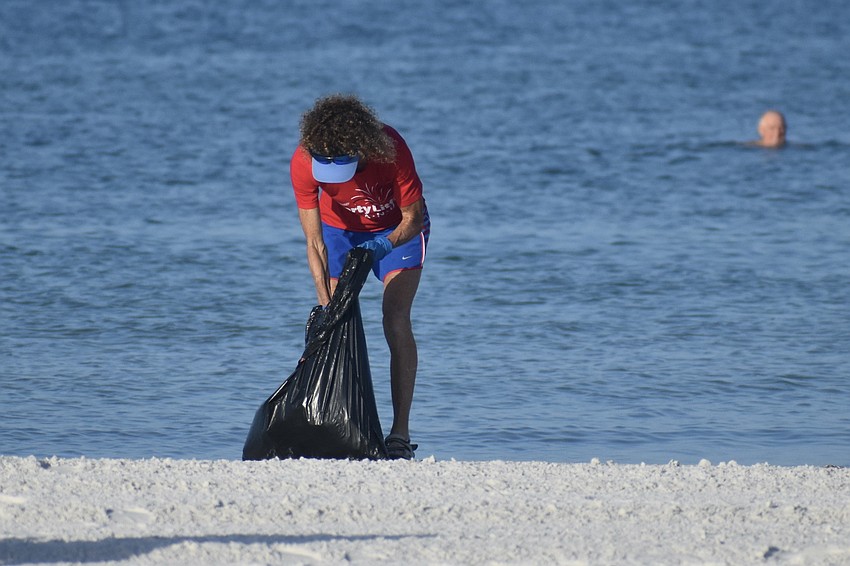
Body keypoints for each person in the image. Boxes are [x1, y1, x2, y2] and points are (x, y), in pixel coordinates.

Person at [290, 94, 430, 460]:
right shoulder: (303, 160)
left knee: (395, 318)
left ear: (361, 146)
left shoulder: (392, 150)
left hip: (398, 231)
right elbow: (315, 241)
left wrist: (381, 246)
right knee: (340, 318)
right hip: (340, 232)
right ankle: (345, 423)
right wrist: (325, 306)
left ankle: (399, 434)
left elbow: (413, 218)